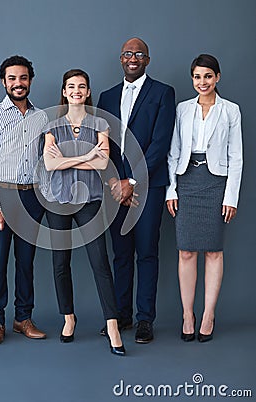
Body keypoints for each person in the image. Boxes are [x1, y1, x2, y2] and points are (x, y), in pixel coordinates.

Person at [97, 37, 176, 343]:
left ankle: (145, 319)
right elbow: (103, 146)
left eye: (139, 54)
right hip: (115, 188)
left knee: (146, 252)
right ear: (121, 59)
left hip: (148, 187)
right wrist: (116, 182)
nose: (133, 58)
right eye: (128, 54)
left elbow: (160, 143)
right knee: (121, 254)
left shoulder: (162, 93)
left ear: (147, 59)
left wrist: (133, 181)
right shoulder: (106, 96)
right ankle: (121, 316)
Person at [42, 69, 125, 355]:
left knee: (100, 261)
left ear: (88, 92)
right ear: (64, 92)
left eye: (82, 86)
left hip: (89, 199)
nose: (76, 90)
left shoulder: (100, 123)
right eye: (71, 86)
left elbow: (103, 165)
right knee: (60, 263)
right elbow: (50, 166)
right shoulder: (52, 125)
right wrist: (88, 155)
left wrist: (70, 159)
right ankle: (68, 318)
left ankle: (112, 324)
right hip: (58, 200)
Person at [166, 54, 243, 342]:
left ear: (218, 77)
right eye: (197, 77)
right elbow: (173, 152)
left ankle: (208, 313)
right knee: (186, 251)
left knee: (213, 251)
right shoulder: (183, 109)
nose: (202, 82)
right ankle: (188, 314)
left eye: (208, 76)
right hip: (186, 181)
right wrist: (171, 189)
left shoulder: (230, 111)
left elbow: (236, 157)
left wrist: (231, 196)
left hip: (216, 183)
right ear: (192, 79)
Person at [0, 55, 48, 345]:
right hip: (2, 197)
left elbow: (46, 161)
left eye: (23, 78)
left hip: (31, 197)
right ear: (4, 82)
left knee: (26, 261)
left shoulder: (41, 117)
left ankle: (23, 318)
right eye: (12, 78)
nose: (18, 84)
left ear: (30, 80)